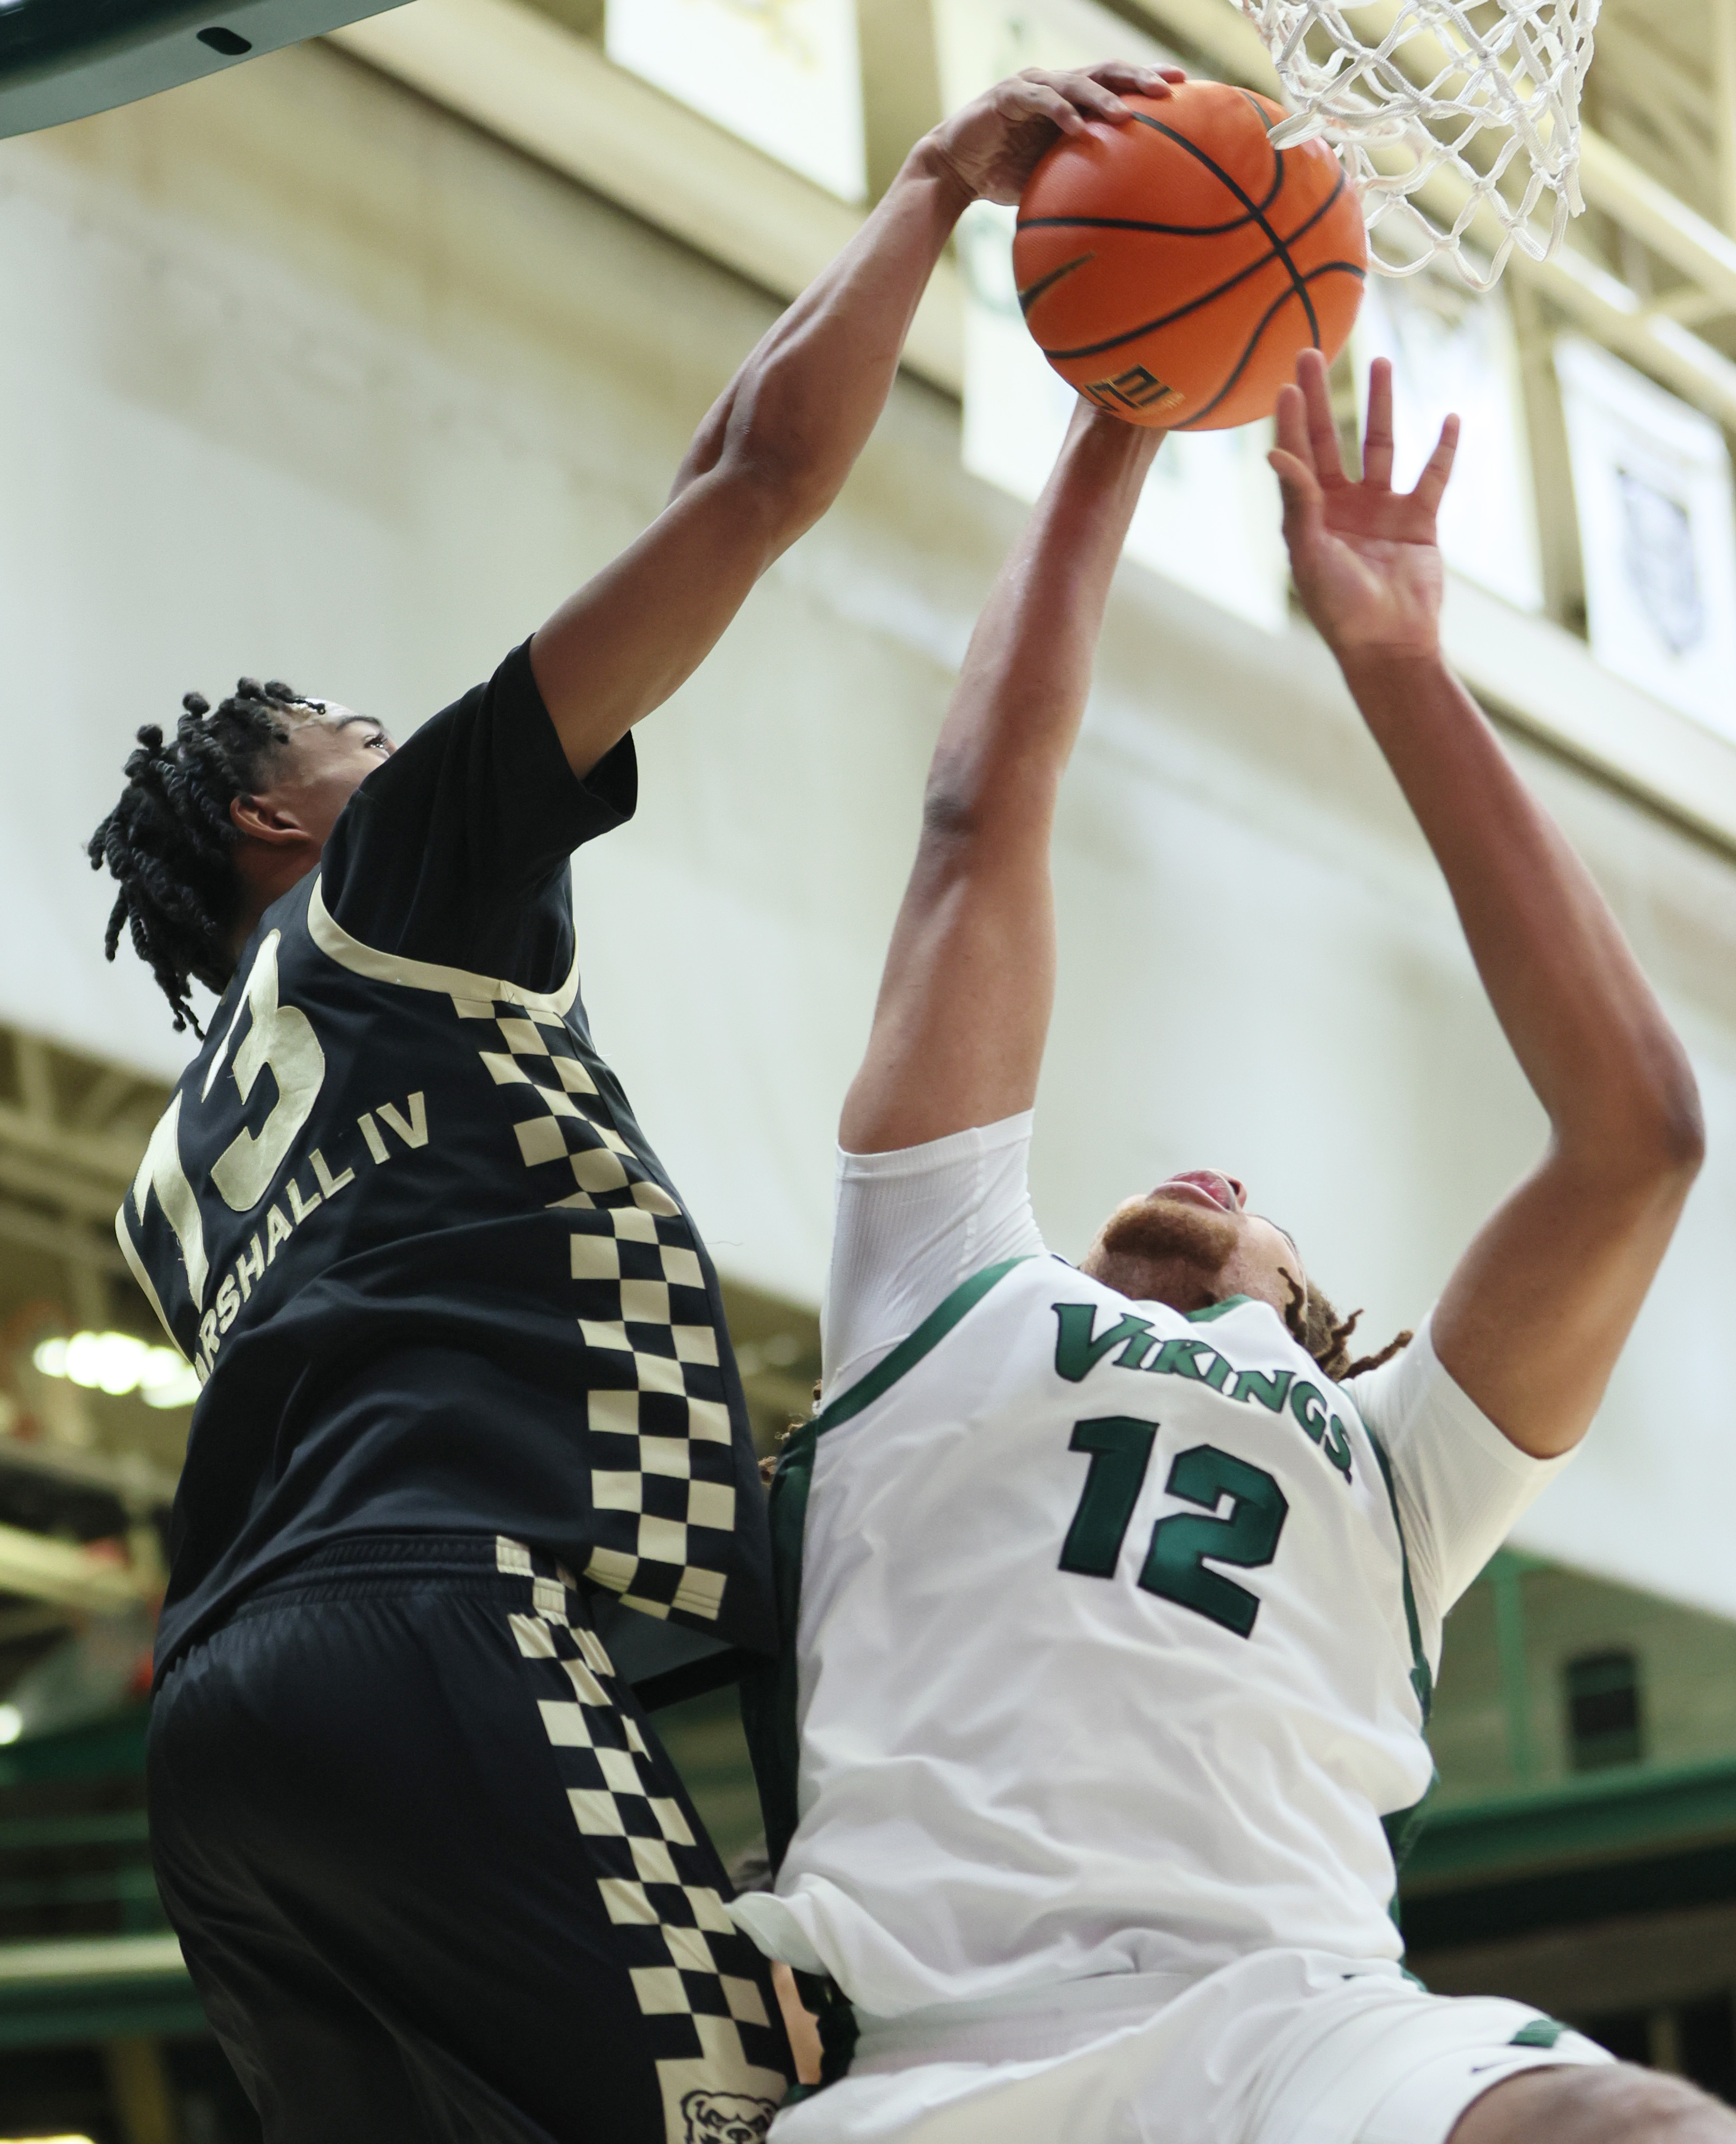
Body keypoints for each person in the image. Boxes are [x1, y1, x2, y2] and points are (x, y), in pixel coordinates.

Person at [87, 57, 1185, 2144]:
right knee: (761, 2108)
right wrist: (944, 178)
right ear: (271, 815)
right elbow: (750, 483)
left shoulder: (172, 1174)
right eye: (350, 730)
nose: (394, 736)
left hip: (218, 1746)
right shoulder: (391, 879)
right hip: (436, 1638)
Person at [732, 362, 1736, 2144]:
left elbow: (1637, 1141)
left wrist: (1397, 661)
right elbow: (974, 821)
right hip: (936, 2059)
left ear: (1324, 1322)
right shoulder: (940, 1291)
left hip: (1302, 2038)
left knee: (1633, 2131)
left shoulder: (1402, 1467)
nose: (1210, 1178)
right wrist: (1116, 417)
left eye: (1254, 1207)